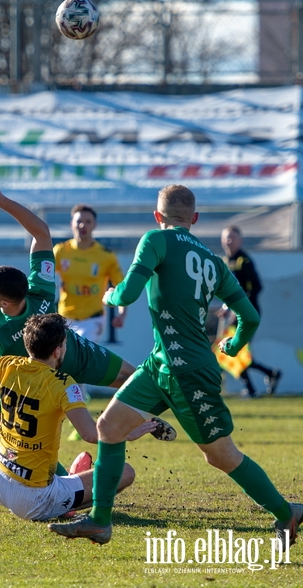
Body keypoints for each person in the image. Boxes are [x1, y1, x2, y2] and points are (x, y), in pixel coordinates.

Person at [48, 184, 303, 550]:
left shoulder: (155, 240)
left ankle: (285, 511)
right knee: (109, 427)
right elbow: (249, 315)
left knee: (220, 456)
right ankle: (100, 521)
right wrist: (235, 343)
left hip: (187, 371)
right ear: (195, 220)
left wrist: (111, 295)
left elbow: (128, 292)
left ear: (157, 216)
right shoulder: (214, 262)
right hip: (162, 364)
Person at [0, 178, 166, 452]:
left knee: (133, 380)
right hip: (68, 354)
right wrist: (1, 200)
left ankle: (138, 424)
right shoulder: (39, 287)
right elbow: (41, 233)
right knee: (3, 419)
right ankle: (81, 459)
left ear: (4, 303)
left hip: (63, 357)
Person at [0, 313, 137, 522]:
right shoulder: (63, 383)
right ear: (58, 350)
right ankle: (66, 500)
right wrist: (128, 431)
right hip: (33, 498)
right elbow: (90, 434)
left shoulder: (8, 365)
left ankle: (68, 483)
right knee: (124, 472)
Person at [220, 225, 282, 397]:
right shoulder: (225, 261)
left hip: (248, 314)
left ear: (241, 241)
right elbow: (228, 292)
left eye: (232, 238)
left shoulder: (244, 261)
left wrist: (239, 308)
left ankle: (253, 387)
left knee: (234, 349)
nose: (228, 241)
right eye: (226, 238)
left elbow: (256, 287)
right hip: (236, 313)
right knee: (232, 351)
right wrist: (227, 307)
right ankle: (267, 376)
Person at [54, 204, 126, 344]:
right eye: (79, 221)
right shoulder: (61, 251)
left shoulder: (106, 256)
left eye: (88, 222)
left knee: (81, 354)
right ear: (72, 224)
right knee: (62, 361)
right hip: (65, 317)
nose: (83, 225)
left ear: (94, 225)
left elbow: (121, 287)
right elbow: (44, 277)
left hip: (93, 319)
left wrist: (122, 314)